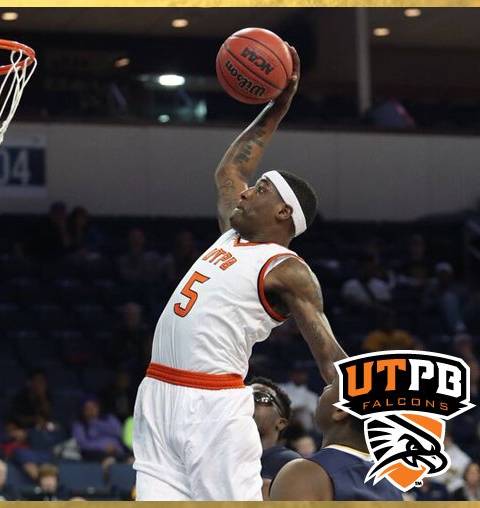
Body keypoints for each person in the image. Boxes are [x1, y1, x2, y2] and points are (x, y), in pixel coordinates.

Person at [132, 43, 347, 501]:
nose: (247, 193)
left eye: (262, 189)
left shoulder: (286, 269)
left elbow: (329, 358)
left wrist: (374, 403)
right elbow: (230, 168)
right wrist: (278, 105)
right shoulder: (232, 235)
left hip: (212, 404)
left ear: (284, 214)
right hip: (157, 394)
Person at [269, 377, 402, 501]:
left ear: (340, 411)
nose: (325, 388)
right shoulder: (391, 485)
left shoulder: (304, 473)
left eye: (332, 385)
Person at [249, 377, 300, 500]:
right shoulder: (218, 454)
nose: (248, 400)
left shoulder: (290, 463)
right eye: (246, 394)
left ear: (281, 422)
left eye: (260, 397)